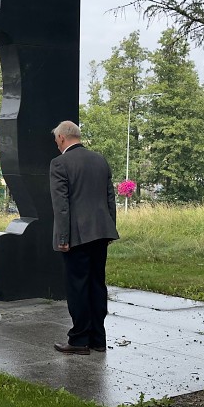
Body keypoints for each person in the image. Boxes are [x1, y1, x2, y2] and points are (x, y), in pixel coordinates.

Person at [49, 120, 119, 355]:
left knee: (77, 287)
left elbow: (62, 206)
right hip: (101, 233)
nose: (57, 145)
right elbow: (110, 199)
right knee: (97, 285)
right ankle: (98, 339)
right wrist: (110, 229)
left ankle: (79, 340)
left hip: (77, 236)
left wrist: (63, 239)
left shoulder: (60, 163)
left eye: (56, 141)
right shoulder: (100, 160)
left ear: (61, 138)